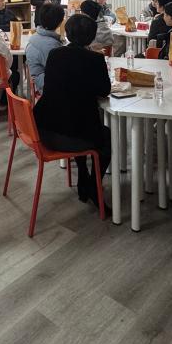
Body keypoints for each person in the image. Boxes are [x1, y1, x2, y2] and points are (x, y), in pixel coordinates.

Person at [33, 15, 112, 215]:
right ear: (92, 37)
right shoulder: (95, 60)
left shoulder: (55, 55)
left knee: (78, 123)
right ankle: (93, 185)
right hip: (72, 136)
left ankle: (83, 176)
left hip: (43, 130)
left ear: (67, 33)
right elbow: (104, 90)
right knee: (105, 137)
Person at [24, 4, 64, 92]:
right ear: (60, 22)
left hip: (38, 80)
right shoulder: (52, 45)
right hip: (48, 87)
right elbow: (60, 71)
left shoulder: (34, 36)